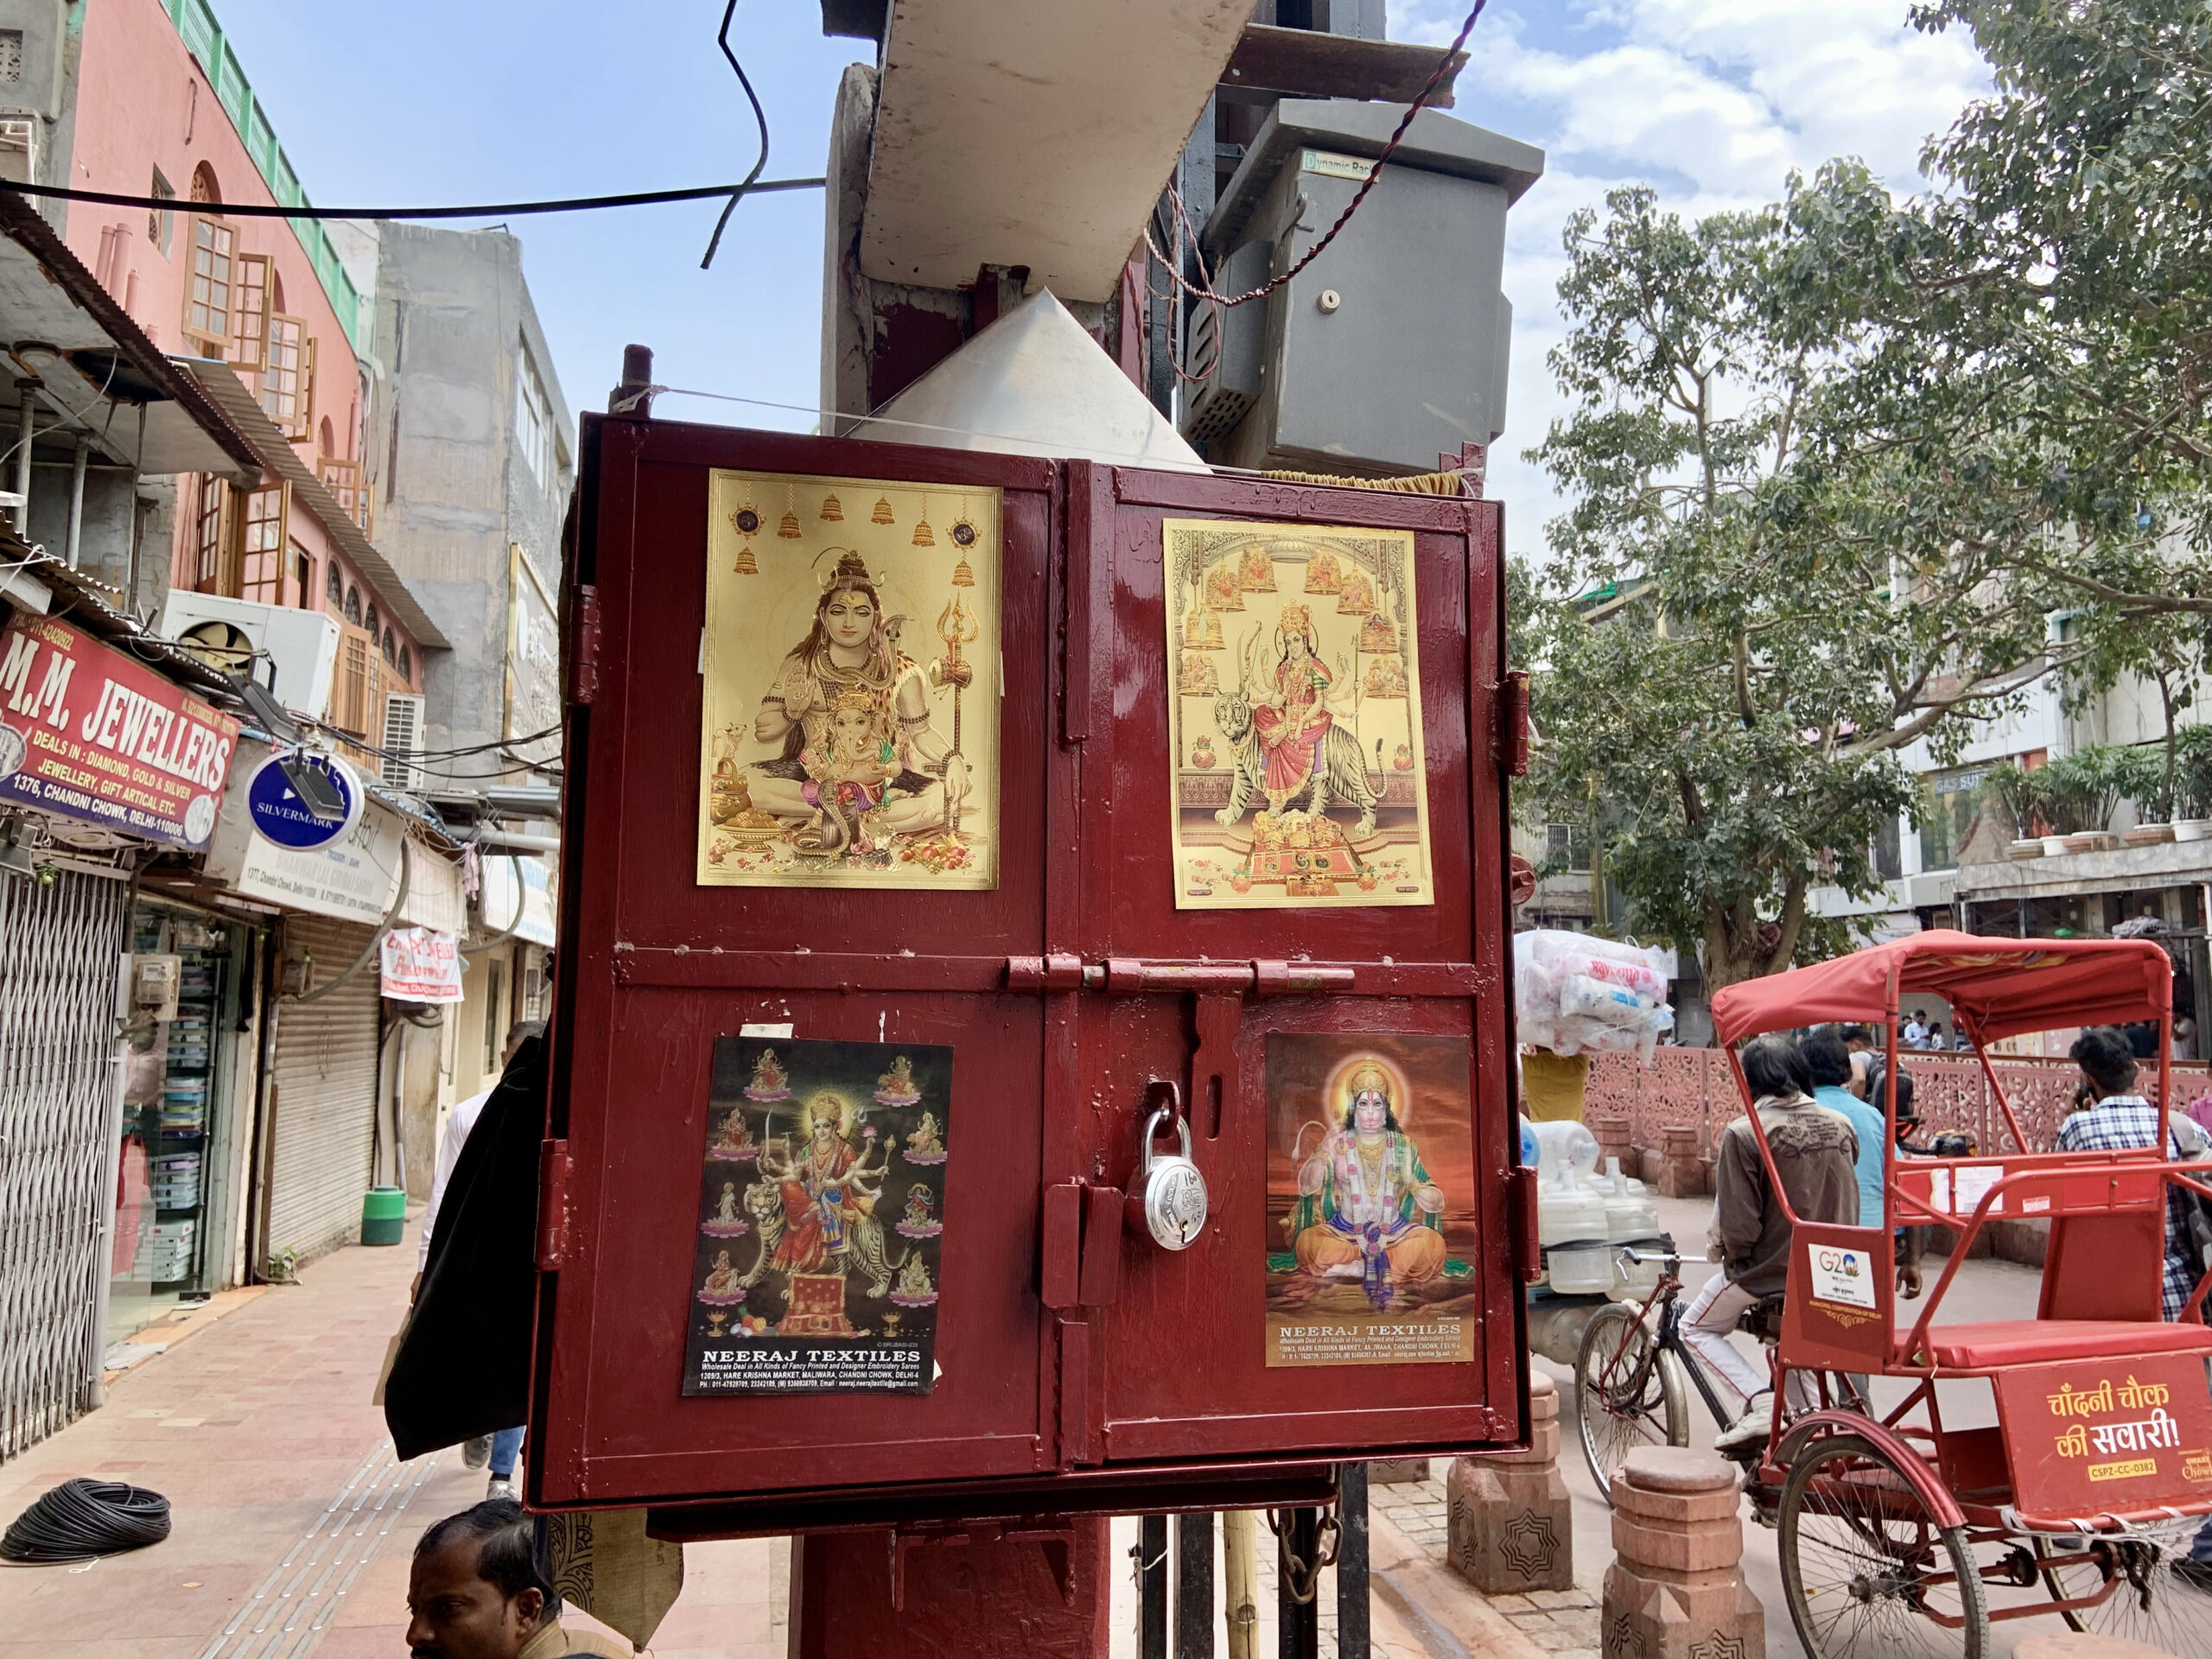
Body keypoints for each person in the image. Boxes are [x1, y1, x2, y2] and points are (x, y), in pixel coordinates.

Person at [1689, 1034, 1860, 1451]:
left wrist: (1733, 1259)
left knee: (1694, 1326)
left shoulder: (1745, 1133)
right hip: (1839, 1269)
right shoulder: (1842, 1124)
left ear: (1751, 1084)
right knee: (1795, 1349)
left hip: (1774, 1273)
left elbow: (1739, 1227)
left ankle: (1761, 1402)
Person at [416, 1020, 544, 1498]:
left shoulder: (552, 1118)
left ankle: (502, 1474)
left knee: (519, 1362)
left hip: (523, 1261)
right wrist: (427, 1264)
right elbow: (442, 1191)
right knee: (479, 1352)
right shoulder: (469, 1116)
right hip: (474, 1259)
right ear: (505, 1059)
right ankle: (477, 1422)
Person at [406, 1499, 626, 1659]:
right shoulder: (591, 1646)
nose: (415, 1634)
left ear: (526, 1610)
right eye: (415, 1609)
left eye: (447, 1608)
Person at [1802, 1028, 1885, 1231]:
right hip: (1874, 1228)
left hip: (1817, 1232)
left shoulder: (1796, 1115)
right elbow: (1897, 1170)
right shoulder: (1872, 1115)